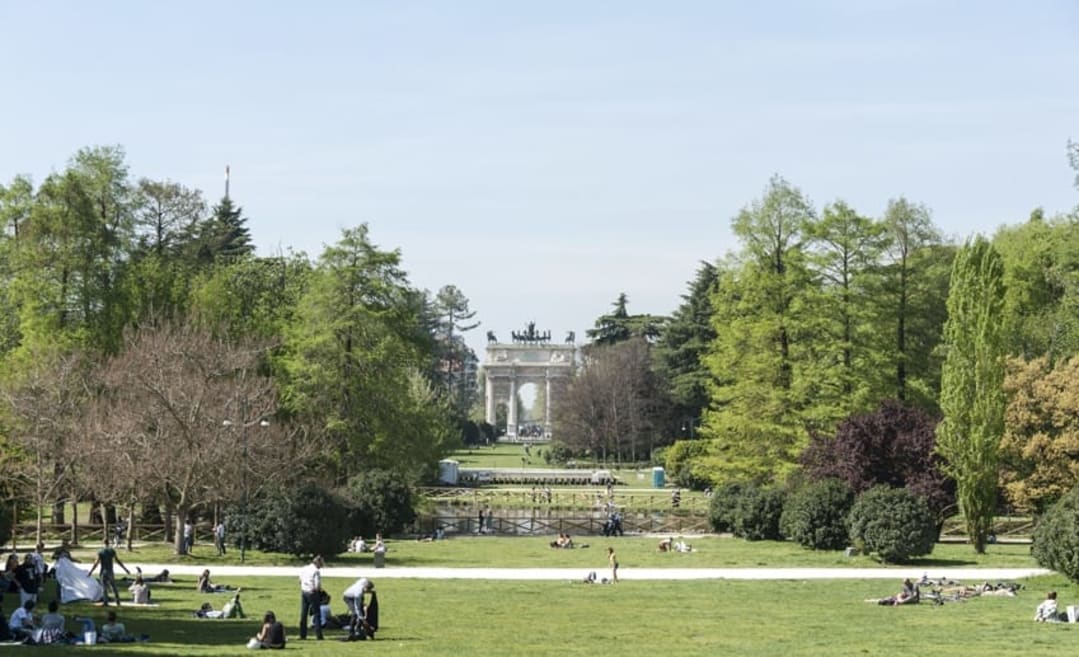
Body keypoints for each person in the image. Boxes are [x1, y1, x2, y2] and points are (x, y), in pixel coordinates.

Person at [88, 538, 131, 607]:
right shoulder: (112, 551)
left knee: (104, 587)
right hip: (110, 571)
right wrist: (125, 569)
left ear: (103, 543)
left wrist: (91, 572)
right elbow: (118, 560)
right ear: (109, 543)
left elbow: (96, 563)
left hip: (103, 571)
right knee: (113, 586)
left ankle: (105, 602)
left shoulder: (100, 551)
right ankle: (118, 601)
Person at [298, 555, 323, 640]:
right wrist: (320, 591)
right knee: (317, 613)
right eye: (321, 563)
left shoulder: (304, 568)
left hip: (304, 591)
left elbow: (300, 580)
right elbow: (317, 585)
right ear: (318, 563)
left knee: (304, 613)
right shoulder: (316, 571)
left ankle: (302, 634)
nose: (322, 565)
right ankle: (318, 635)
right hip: (312, 593)